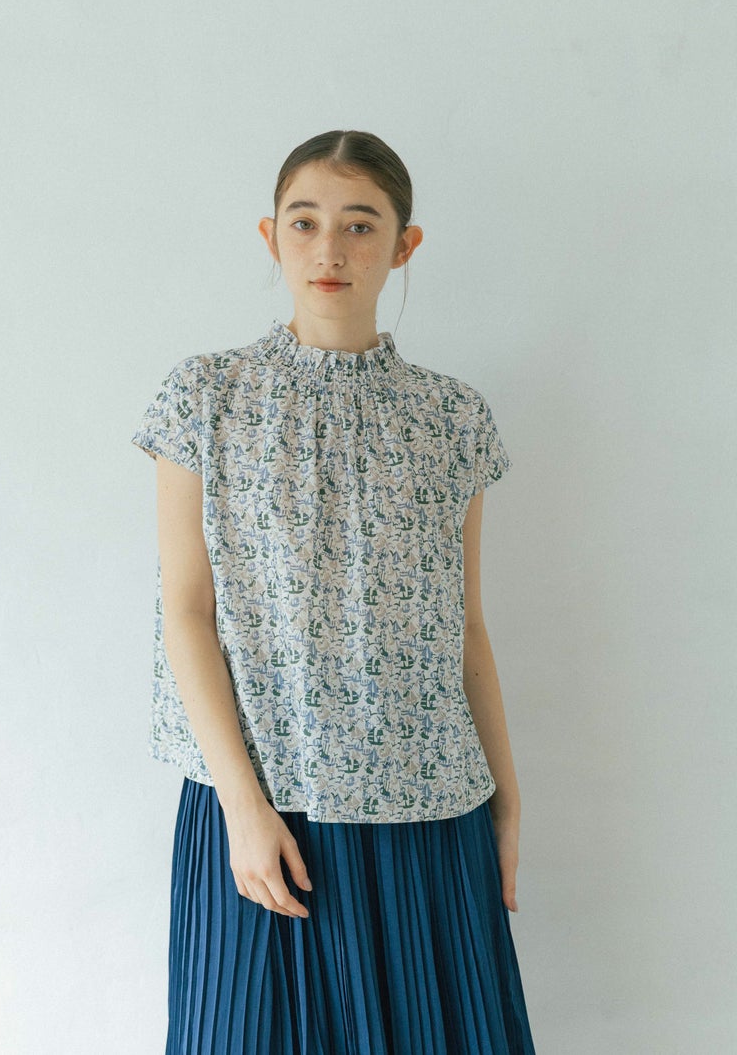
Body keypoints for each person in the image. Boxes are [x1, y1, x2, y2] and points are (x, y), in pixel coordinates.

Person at [131, 130, 536, 1054]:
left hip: (431, 809)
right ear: (270, 235)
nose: (330, 248)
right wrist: (242, 807)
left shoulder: (452, 417)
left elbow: (465, 626)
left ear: (404, 245)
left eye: (360, 224)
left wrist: (507, 800)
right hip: (264, 807)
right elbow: (186, 613)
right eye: (305, 222)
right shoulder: (206, 397)